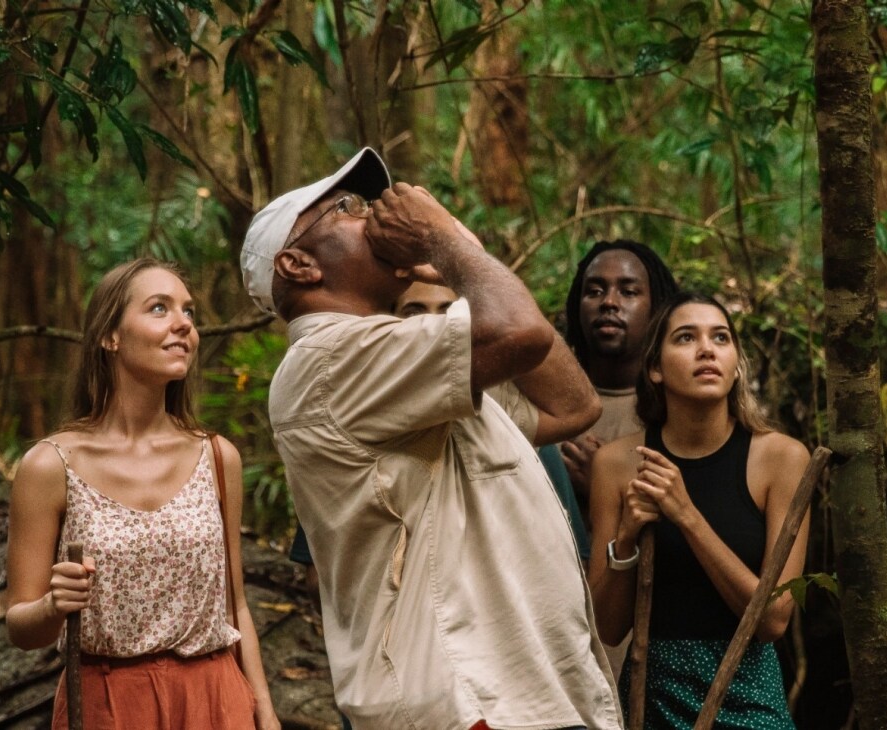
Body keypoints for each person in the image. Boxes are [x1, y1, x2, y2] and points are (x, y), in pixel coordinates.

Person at [241, 148, 620, 729]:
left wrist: (450, 263)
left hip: (522, 695)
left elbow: (571, 405)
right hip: (464, 697)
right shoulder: (328, 359)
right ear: (297, 265)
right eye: (348, 208)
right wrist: (448, 241)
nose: (374, 217)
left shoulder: (405, 360)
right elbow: (520, 331)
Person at [5, 258, 280, 730]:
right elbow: (20, 626)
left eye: (189, 312)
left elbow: (235, 606)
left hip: (216, 698)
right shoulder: (50, 465)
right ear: (109, 337)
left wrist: (267, 716)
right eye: (159, 308)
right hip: (109, 703)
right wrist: (54, 604)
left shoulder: (217, 456)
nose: (183, 325)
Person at [586, 292, 811, 729]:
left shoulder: (781, 458)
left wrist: (685, 514)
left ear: (735, 364)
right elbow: (608, 630)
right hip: (653, 694)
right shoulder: (617, 464)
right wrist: (627, 540)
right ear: (655, 368)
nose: (707, 349)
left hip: (749, 695)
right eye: (686, 338)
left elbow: (773, 620)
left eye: (721, 338)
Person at [287, 283, 592, 575]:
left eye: (449, 312)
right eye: (414, 312)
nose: (433, 326)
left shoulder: (501, 412)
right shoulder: (353, 417)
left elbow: (578, 408)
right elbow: (321, 573)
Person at [558, 241, 681, 519]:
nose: (609, 302)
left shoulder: (677, 409)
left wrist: (603, 486)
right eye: (594, 291)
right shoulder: (545, 400)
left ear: (657, 307)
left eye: (628, 292)